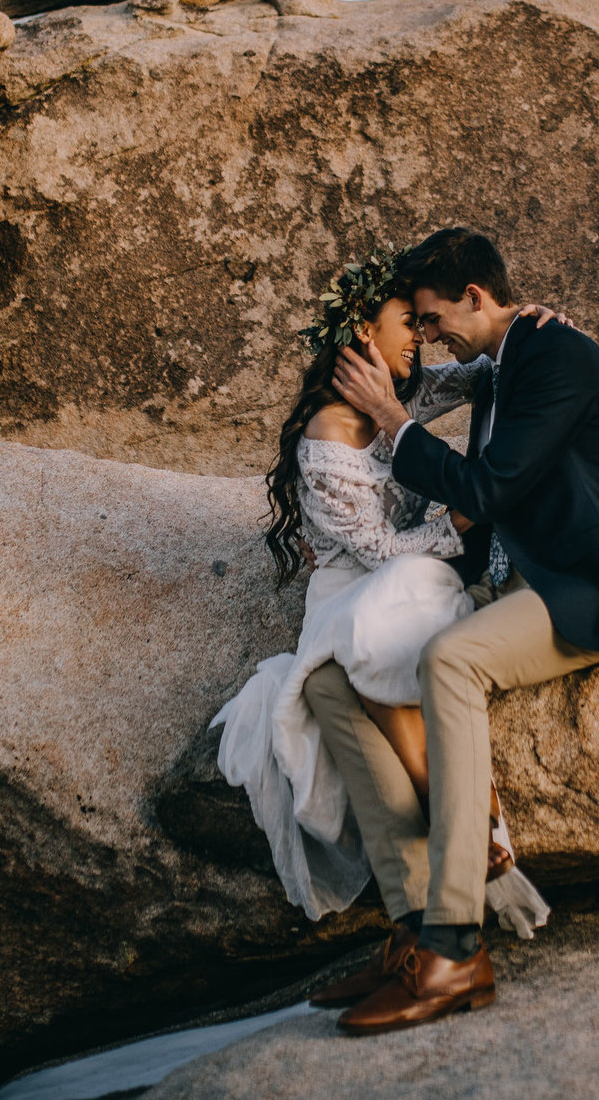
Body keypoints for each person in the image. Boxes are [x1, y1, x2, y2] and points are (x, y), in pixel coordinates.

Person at [313, 226, 599, 1036]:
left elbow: (490, 483)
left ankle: (455, 941)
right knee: (330, 678)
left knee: (451, 661)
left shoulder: (558, 355)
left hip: (591, 587)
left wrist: (390, 417)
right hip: (512, 577)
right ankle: (410, 928)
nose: (431, 335)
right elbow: (479, 470)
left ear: (476, 296)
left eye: (435, 318)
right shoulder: (510, 360)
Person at [209, 248, 561, 941]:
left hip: (407, 582)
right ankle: (458, 843)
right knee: (350, 656)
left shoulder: (400, 390)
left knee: (352, 667)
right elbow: (379, 552)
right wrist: (458, 517)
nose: (423, 338)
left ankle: (434, 905)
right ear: (365, 334)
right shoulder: (325, 444)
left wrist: (533, 322)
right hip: (364, 583)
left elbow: (483, 362)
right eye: (410, 323)